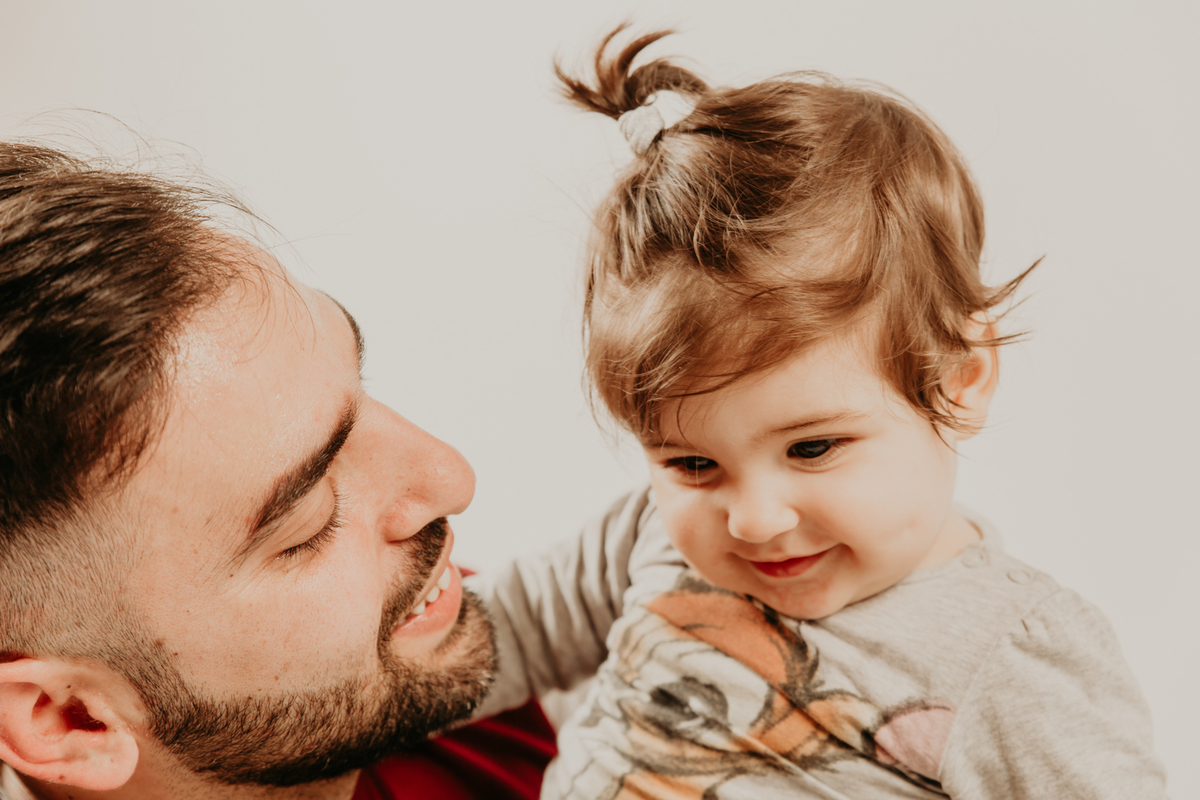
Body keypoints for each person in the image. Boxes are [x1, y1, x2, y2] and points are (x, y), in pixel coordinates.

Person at [468, 28, 1170, 799]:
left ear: (961, 376)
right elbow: (488, 640)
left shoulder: (1010, 656)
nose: (754, 521)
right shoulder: (655, 533)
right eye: (693, 464)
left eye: (812, 449)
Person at [0, 142, 554, 798]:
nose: (451, 477)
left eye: (360, 385)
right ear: (71, 720)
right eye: (309, 519)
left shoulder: (441, 673)